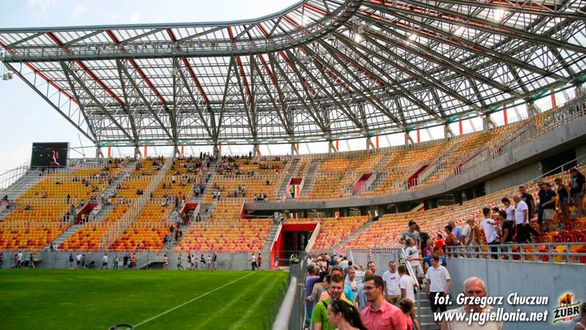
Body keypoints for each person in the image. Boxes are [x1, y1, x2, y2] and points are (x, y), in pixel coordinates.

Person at [426, 255, 452, 328]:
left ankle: (444, 325)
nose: (431, 262)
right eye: (431, 261)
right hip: (433, 292)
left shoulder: (443, 269)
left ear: (437, 261)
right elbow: (428, 281)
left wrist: (446, 290)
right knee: (434, 310)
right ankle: (436, 325)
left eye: (432, 261)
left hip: (442, 292)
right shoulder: (429, 269)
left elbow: (449, 280)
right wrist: (427, 291)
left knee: (443, 310)